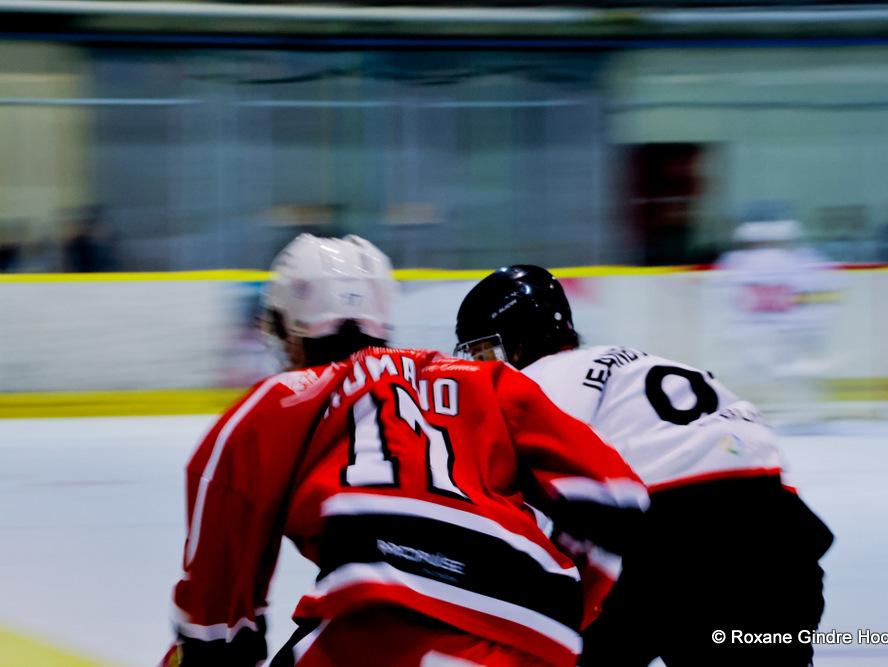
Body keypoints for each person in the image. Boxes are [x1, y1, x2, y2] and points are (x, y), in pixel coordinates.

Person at [164, 235, 648, 667]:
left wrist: (210, 651)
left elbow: (215, 608)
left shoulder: (279, 400)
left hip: (383, 627)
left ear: (290, 329)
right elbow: (618, 497)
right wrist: (561, 607)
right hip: (538, 634)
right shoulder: (487, 380)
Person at [455, 265, 834, 667]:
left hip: (672, 547)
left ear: (516, 341)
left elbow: (514, 505)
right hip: (785, 545)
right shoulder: (642, 365)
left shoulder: (532, 384)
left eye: (484, 352)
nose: (482, 366)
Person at [714, 218, 841, 427]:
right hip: (788, 332)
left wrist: (732, 330)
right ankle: (804, 415)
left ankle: (739, 415)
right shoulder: (803, 261)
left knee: (753, 374)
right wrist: (816, 326)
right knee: (794, 377)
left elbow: (726, 299)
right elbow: (823, 293)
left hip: (757, 333)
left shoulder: (737, 263)